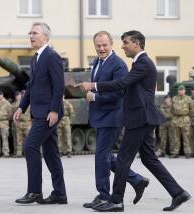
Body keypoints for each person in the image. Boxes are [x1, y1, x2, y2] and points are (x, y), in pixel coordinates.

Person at [80, 30, 190, 212]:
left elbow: (121, 84)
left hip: (139, 118)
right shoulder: (139, 63)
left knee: (122, 160)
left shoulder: (143, 63)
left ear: (137, 43)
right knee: (149, 159)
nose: (122, 46)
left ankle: (116, 201)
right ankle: (178, 193)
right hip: (143, 117)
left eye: (125, 42)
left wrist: (94, 86)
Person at [83, 31, 149, 209]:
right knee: (107, 156)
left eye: (105, 45)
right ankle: (137, 180)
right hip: (100, 116)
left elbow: (119, 92)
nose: (102, 48)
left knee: (101, 156)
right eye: (98, 45)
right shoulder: (97, 61)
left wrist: (95, 97)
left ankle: (104, 196)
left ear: (111, 43)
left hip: (112, 117)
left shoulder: (118, 65)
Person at [13, 22, 67, 205]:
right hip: (39, 112)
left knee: (30, 147)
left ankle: (34, 191)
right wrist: (21, 107)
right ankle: (60, 193)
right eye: (30, 33)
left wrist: (53, 110)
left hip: (47, 114)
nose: (31, 36)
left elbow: (59, 86)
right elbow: (31, 87)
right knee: (51, 154)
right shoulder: (35, 58)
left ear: (45, 36)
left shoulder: (52, 56)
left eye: (34, 33)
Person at [170, 85, 192, 158]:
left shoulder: (188, 98)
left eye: (182, 90)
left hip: (185, 119)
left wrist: (187, 117)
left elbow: (191, 110)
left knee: (186, 138)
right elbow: (171, 109)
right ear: (178, 91)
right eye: (180, 90)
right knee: (176, 138)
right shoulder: (174, 98)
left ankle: (187, 153)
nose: (181, 91)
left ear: (184, 91)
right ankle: (175, 152)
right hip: (176, 120)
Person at [15, 91, 32, 157]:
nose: (23, 96)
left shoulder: (31, 103)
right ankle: (19, 153)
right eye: (22, 95)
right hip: (20, 123)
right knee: (19, 139)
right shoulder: (18, 104)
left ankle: (29, 153)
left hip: (27, 123)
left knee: (29, 139)